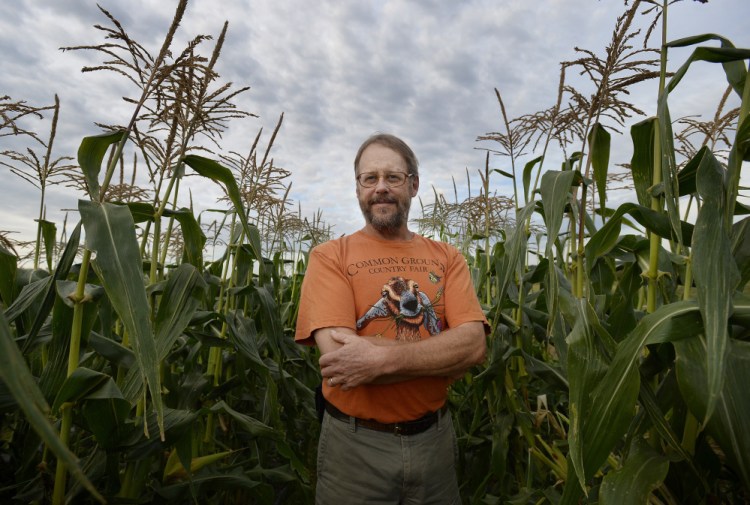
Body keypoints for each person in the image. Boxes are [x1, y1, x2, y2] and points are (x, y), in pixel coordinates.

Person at [295, 133, 490, 504]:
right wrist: (441, 356)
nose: (380, 188)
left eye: (393, 177)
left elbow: (473, 345)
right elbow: (340, 360)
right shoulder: (330, 256)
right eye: (370, 178)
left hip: (435, 443)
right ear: (358, 189)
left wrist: (379, 358)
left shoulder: (448, 257)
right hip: (355, 450)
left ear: (413, 185)